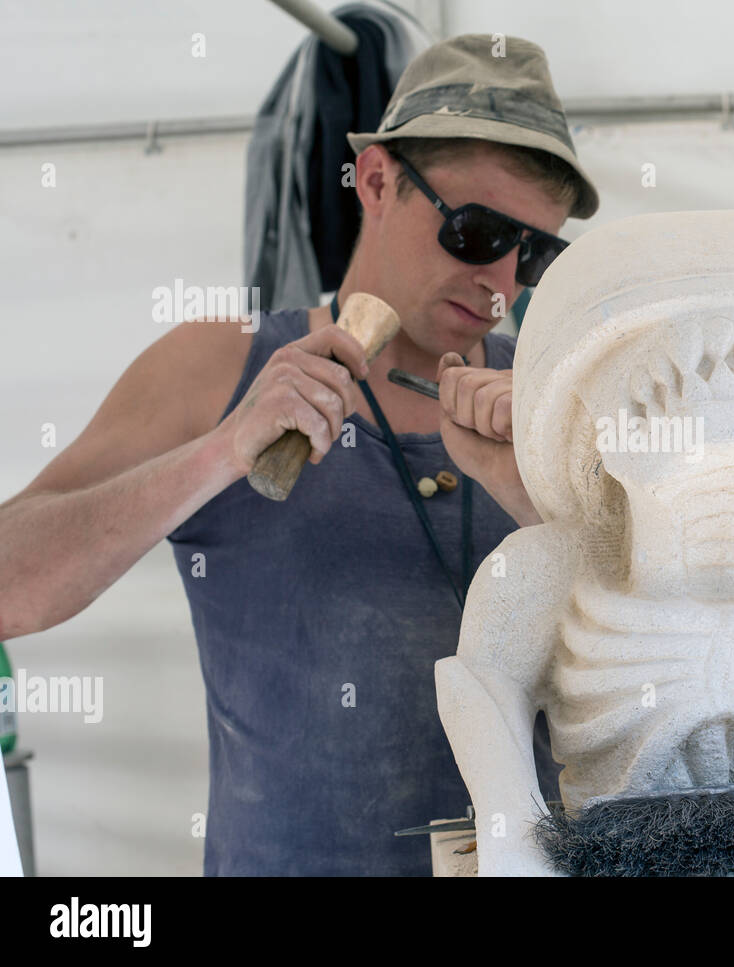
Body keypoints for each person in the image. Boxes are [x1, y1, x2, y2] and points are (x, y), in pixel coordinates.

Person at [0, 34, 600, 875]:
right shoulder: (219, 367)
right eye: (476, 232)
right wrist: (219, 453)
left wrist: (530, 491)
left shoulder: (551, 395)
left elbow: (661, 642)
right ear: (378, 180)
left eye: (533, 252)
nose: (501, 282)